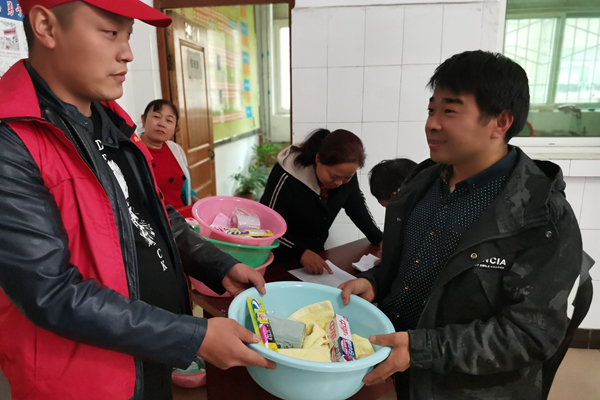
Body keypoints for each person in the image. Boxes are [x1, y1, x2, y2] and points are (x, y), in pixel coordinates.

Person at [0, 2, 275, 400]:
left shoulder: (113, 121)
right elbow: (50, 293)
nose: (127, 52)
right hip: (85, 382)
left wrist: (219, 265)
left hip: (151, 353)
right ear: (46, 25)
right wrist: (191, 336)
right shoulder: (12, 140)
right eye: (110, 33)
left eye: (128, 35)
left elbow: (152, 214)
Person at [339, 50, 588, 400]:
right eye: (431, 110)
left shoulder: (540, 215)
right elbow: (411, 266)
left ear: (501, 123)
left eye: (450, 111)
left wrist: (422, 348)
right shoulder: (421, 183)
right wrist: (375, 283)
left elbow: (531, 334)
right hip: (410, 376)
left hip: (476, 390)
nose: (432, 124)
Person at [260, 129, 383, 275]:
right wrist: (301, 252)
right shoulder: (287, 176)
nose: (339, 183)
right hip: (279, 259)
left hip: (315, 259)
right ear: (318, 159)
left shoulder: (344, 172)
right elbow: (268, 226)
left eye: (347, 178)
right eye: (334, 176)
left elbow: (356, 206)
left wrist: (379, 239)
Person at [140, 99, 198, 208]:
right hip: (155, 217)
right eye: (156, 117)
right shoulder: (132, 151)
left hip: (182, 215)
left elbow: (183, 183)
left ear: (175, 129)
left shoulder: (176, 150)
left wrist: (192, 197)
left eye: (169, 120)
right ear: (143, 120)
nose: (162, 124)